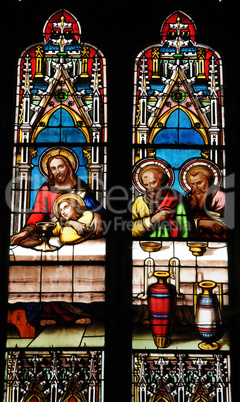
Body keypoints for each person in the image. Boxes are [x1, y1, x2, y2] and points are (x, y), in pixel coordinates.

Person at [10, 154, 104, 247]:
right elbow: (38, 214)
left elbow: (92, 207)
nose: (57, 172)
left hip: (82, 232)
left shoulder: (81, 188)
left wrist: (98, 217)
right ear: (50, 171)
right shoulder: (46, 190)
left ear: (68, 167)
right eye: (53, 168)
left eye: (61, 167)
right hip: (57, 234)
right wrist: (26, 231)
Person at [132, 165, 192, 238]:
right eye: (146, 185)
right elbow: (129, 229)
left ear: (162, 181)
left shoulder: (178, 200)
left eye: (153, 183)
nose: (149, 188)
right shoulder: (139, 202)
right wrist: (152, 220)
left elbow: (187, 230)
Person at [185, 166, 226, 238]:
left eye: (199, 183)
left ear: (209, 182)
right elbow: (181, 221)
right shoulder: (189, 198)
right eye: (192, 184)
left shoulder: (222, 197)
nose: (195, 187)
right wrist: (199, 223)